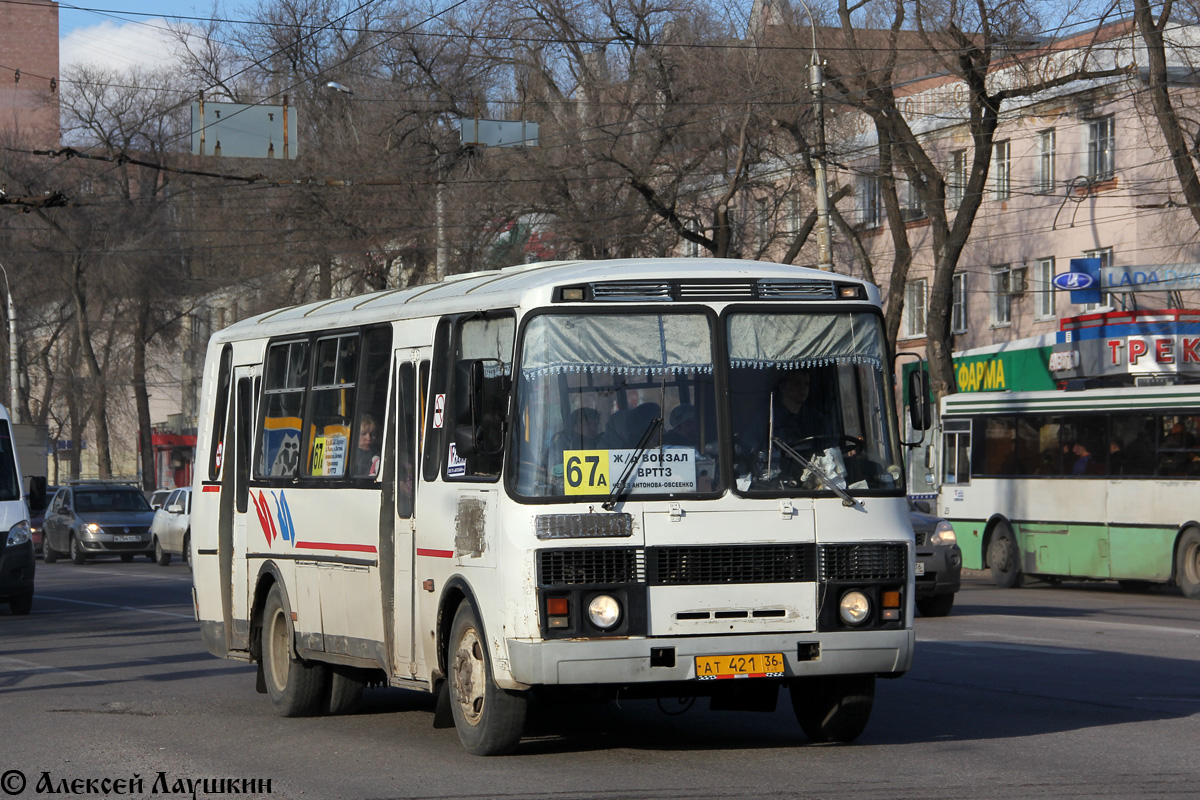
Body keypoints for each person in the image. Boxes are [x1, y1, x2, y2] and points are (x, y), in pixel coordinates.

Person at [771, 370, 835, 447]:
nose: (803, 388)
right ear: (783, 386)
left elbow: (830, 448)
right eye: (797, 383)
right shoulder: (770, 419)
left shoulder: (817, 420)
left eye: (806, 384)